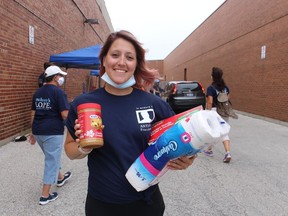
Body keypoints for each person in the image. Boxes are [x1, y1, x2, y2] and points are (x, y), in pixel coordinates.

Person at [64, 30, 197, 216]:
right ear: (103, 60)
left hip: (146, 204)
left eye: (129, 57)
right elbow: (69, 149)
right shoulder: (84, 104)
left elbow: (179, 141)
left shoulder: (154, 104)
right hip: (101, 205)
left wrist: (187, 159)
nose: (121, 62)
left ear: (136, 64)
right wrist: (83, 148)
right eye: (115, 55)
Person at [29, 65, 72, 205]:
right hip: (52, 131)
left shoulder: (38, 92)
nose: (61, 79)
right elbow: (65, 114)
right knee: (51, 161)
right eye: (60, 76)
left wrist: (33, 132)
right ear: (55, 77)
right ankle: (45, 195)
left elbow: (33, 113)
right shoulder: (58, 93)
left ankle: (60, 178)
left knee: (51, 156)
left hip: (39, 130)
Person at [204, 67, 232, 163]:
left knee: (217, 131)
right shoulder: (226, 88)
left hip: (215, 111)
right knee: (221, 131)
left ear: (212, 76)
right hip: (225, 111)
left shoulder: (211, 88)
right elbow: (227, 99)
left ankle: (219, 152)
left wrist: (207, 112)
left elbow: (210, 102)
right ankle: (211, 150)